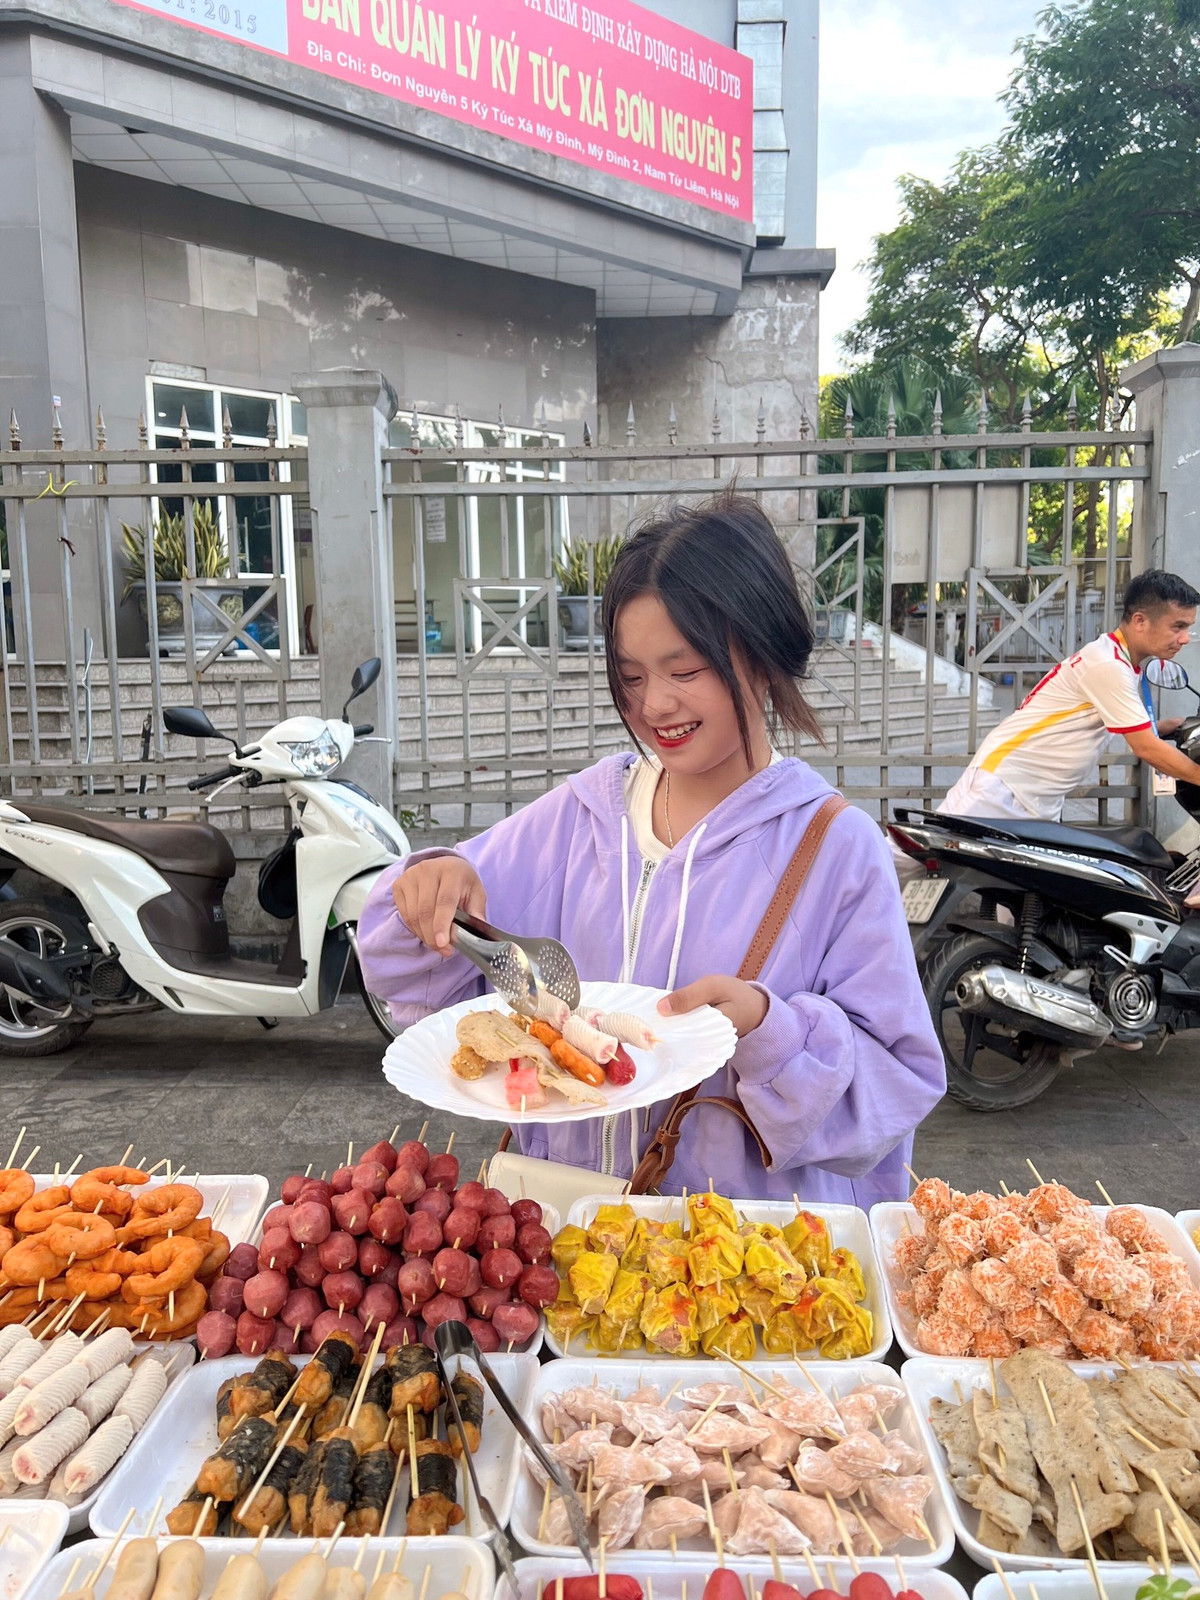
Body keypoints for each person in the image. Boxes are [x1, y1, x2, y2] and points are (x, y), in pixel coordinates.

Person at [358, 492, 945, 1205]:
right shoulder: (579, 819)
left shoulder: (834, 848)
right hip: (568, 1239)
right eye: (632, 677)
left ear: (760, 656)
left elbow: (897, 1083)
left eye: (685, 670)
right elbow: (417, 961)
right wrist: (430, 885)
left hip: (737, 1268)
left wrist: (769, 1028)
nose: (655, 705)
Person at [907, 570, 1200, 847]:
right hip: (1005, 788)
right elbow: (1147, 749)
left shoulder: (1117, 658)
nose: (1185, 638)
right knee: (913, 861)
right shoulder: (1109, 666)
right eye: (1178, 626)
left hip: (1033, 795)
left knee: (1022, 895)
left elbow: (1108, 721)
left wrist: (1160, 727)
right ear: (1140, 621)